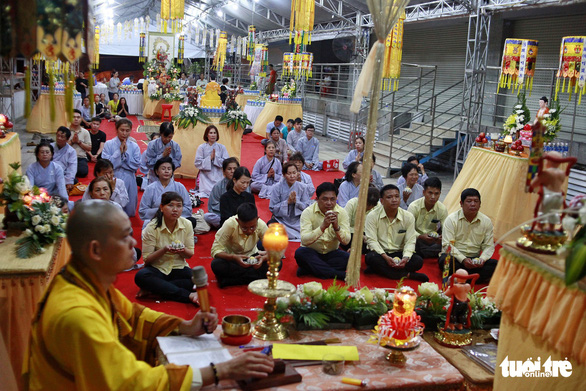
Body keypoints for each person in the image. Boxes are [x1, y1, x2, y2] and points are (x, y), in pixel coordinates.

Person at [24, 200, 274, 390]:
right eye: (125, 237)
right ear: (96, 250)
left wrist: (185, 327)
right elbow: (129, 382)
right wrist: (220, 371)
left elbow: (133, 315)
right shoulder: (77, 316)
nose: (134, 244)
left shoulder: (85, 279)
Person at [136, 192, 196, 303]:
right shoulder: (152, 227)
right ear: (162, 208)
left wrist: (182, 250)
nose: (175, 209)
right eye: (171, 205)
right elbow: (147, 259)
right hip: (158, 268)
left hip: (178, 268)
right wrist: (164, 250)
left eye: (179, 206)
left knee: (195, 279)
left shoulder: (187, 224)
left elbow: (190, 254)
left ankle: (154, 290)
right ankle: (187, 296)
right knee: (141, 276)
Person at [364, 184, 428, 282]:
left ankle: (381, 270)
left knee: (418, 261)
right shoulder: (372, 216)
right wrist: (385, 257)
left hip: (399, 253)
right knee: (371, 258)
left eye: (397, 196)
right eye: (389, 197)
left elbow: (410, 241)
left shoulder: (408, 216)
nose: (394, 200)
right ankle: (407, 274)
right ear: (381, 201)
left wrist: (405, 258)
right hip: (381, 254)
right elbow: (371, 241)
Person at [439, 188, 497, 284]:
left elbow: (488, 246)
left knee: (495, 265)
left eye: (476, 201)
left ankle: (459, 278)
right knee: (445, 260)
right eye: (469, 201)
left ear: (480, 204)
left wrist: (482, 259)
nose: (473, 204)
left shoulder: (486, 221)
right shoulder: (451, 219)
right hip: (457, 259)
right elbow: (447, 245)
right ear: (461, 204)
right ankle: (474, 278)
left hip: (475, 260)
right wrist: (463, 259)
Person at [295, 182, 351, 279]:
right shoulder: (308, 212)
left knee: (350, 259)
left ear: (336, 199)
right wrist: (322, 227)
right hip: (311, 251)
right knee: (300, 253)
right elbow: (304, 240)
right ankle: (338, 275)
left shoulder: (342, 213)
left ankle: (310, 269)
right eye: (325, 199)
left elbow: (346, 241)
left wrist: (337, 228)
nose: (329, 203)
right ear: (317, 199)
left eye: (332, 199)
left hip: (331, 252)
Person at [211, 203, 269, 288]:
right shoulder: (229, 224)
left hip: (253, 258)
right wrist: (234, 257)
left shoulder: (261, 225)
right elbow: (215, 250)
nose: (249, 231)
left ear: (257, 219)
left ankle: (231, 281)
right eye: (244, 228)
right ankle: (254, 278)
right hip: (233, 259)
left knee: (278, 263)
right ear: (238, 221)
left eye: (252, 227)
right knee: (216, 264)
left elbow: (274, 251)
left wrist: (263, 258)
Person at [139, 157, 194, 230]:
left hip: (176, 219)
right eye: (163, 169)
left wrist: (172, 211)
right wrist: (163, 211)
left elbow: (188, 208)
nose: (166, 171)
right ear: (157, 171)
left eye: (169, 169)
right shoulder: (150, 188)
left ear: (172, 171)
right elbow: (143, 211)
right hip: (156, 219)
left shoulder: (179, 187)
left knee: (192, 221)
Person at [102, 118, 141, 217]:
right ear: (116, 130)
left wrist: (126, 154)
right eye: (122, 130)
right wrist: (119, 152)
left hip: (129, 176)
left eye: (127, 130)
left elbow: (136, 165)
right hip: (114, 175)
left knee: (130, 210)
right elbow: (106, 164)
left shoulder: (134, 146)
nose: (124, 133)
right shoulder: (109, 144)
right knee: (113, 207)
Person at [269, 162, 313, 241]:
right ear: (284, 174)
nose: (292, 176)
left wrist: (297, 202)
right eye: (289, 173)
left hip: (298, 221)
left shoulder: (303, 187)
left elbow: (307, 208)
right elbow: (272, 208)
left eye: (294, 173)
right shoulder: (277, 187)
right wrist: (287, 202)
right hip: (282, 220)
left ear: (298, 173)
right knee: (270, 225)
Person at [407, 177, 448, 259]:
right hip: (416, 239)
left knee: (447, 246)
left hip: (432, 240)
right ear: (424, 192)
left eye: (436, 194)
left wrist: (442, 237)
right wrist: (420, 236)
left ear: (440, 194)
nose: (433, 197)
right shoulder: (414, 207)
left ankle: (423, 253)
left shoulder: (442, 209)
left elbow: (447, 230)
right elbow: (408, 229)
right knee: (410, 243)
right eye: (430, 193)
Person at [205, 157, 243, 229]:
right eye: (229, 169)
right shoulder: (218, 186)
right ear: (224, 171)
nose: (232, 171)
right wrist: (227, 209)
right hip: (223, 214)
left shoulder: (244, 184)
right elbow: (213, 205)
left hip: (240, 215)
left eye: (235, 169)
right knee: (208, 216)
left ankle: (227, 227)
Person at [194, 125, 229, 198]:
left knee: (220, 191)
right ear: (207, 135)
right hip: (205, 175)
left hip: (218, 173)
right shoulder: (201, 147)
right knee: (207, 191)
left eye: (214, 133)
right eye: (211, 133)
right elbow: (197, 163)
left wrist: (215, 158)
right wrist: (209, 158)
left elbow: (226, 162)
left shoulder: (222, 147)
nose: (213, 135)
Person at [342, 187, 380, 251]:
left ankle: (357, 249)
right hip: (353, 233)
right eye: (367, 204)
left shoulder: (378, 206)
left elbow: (378, 226)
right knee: (345, 238)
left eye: (372, 205)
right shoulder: (352, 204)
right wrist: (360, 235)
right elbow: (344, 225)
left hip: (368, 234)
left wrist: (368, 237)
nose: (369, 207)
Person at [51, 126, 77, 192]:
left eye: (62, 137)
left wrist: (69, 181)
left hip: (63, 174)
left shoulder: (71, 151)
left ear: (67, 139)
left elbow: (72, 167)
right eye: (58, 135)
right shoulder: (49, 147)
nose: (59, 138)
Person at [68, 109, 92, 179]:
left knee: (83, 172)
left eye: (78, 117)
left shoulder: (85, 132)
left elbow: (89, 148)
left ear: (81, 119)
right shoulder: (66, 130)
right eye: (74, 117)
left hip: (80, 158)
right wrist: (72, 141)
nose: (76, 119)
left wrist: (79, 142)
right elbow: (61, 146)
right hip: (68, 157)